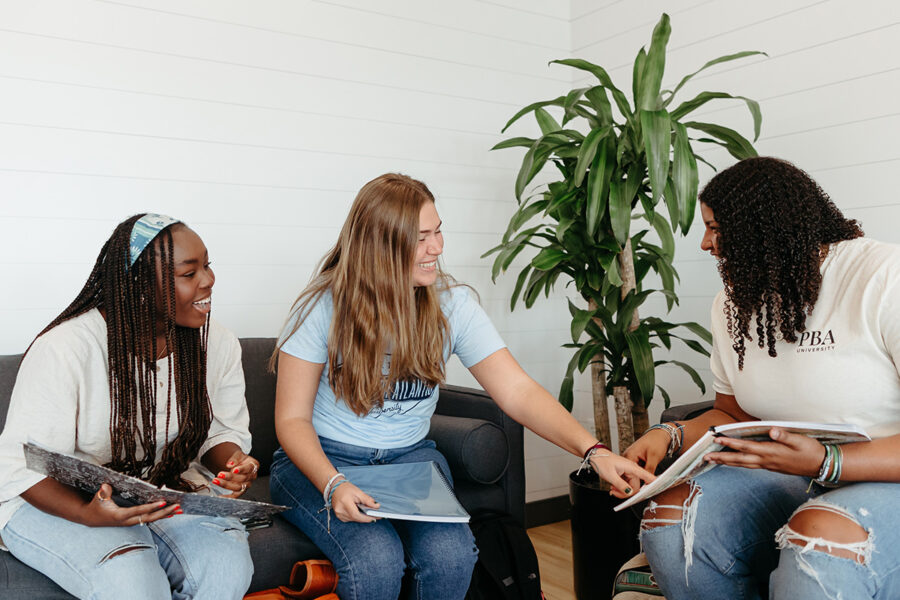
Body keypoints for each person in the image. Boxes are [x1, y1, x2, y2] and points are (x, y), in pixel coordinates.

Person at [268, 173, 655, 600]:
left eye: (438, 232)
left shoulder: (452, 305)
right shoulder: (322, 307)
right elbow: (291, 418)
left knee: (451, 557)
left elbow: (517, 391)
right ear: (380, 246)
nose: (437, 247)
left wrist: (594, 451)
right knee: (376, 562)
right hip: (325, 460)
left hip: (409, 462)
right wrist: (333, 483)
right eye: (421, 238)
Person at [625, 157, 900, 599]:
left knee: (818, 538)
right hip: (789, 471)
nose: (705, 243)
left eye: (716, 228)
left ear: (766, 227)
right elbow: (731, 412)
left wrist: (826, 461)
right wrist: (669, 434)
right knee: (671, 518)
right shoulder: (733, 303)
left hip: (886, 476)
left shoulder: (884, 276)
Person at [0, 214, 260, 600]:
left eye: (208, 266)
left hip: (164, 491)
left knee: (226, 571)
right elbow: (21, 464)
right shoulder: (66, 349)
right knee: (134, 584)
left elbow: (219, 432)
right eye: (189, 273)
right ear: (139, 286)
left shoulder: (216, 343)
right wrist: (88, 514)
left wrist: (234, 462)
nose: (208, 280)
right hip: (58, 499)